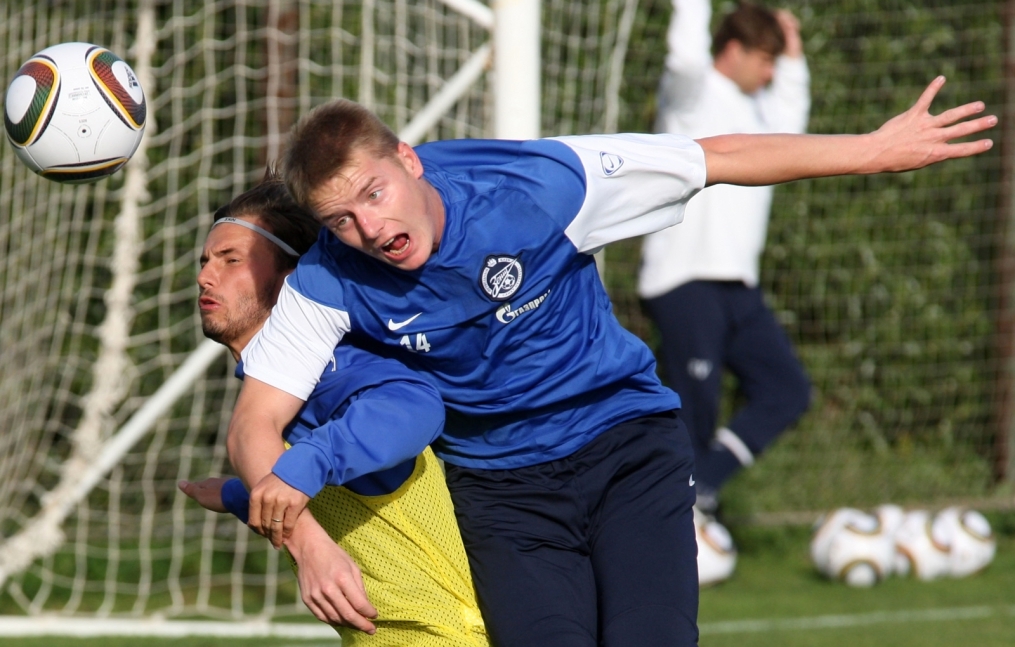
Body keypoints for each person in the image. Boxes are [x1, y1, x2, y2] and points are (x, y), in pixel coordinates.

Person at [225, 78, 995, 647]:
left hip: (626, 448)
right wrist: (307, 540)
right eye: (342, 218)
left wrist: (869, 150)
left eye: (375, 192)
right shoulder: (329, 278)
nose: (371, 226)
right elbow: (256, 423)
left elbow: (714, 157)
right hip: (503, 492)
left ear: (408, 159)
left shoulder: (538, 186)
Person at [177, 176, 489, 646]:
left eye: (230, 260)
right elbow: (340, 501)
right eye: (205, 262)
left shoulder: (333, 370)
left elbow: (414, 406)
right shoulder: (273, 401)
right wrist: (246, 497)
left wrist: (302, 467)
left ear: (290, 278)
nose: (205, 276)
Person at [638, 0, 811, 515]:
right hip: (685, 281)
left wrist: (795, 54)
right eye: (765, 60)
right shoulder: (690, 99)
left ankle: (700, 490)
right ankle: (673, 521)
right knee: (694, 414)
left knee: (787, 390)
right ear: (732, 51)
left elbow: (794, 130)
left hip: (738, 286)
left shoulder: (757, 110)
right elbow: (687, 58)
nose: (770, 73)